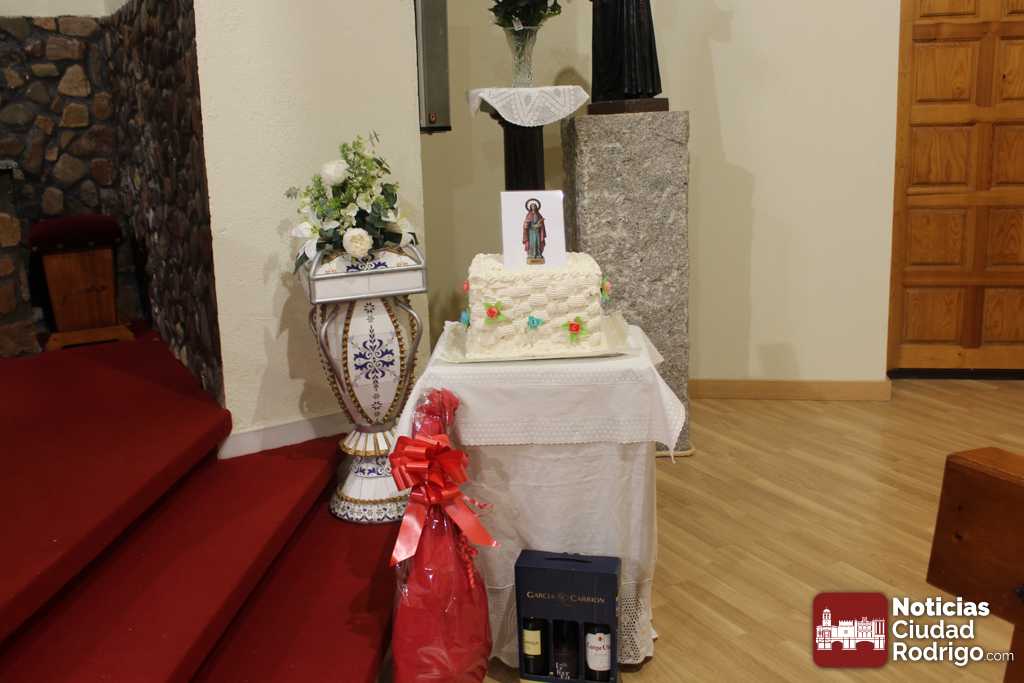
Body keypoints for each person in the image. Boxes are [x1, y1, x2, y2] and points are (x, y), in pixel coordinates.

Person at [522, 199, 547, 264]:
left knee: (538, 243)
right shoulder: (529, 214)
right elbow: (526, 224)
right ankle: (531, 255)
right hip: (531, 232)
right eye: (532, 206)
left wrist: (540, 224)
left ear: (536, 207)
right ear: (530, 207)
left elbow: (542, 223)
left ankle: (538, 254)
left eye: (535, 206)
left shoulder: (538, 214)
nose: (533, 207)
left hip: (538, 232)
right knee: (532, 243)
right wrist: (529, 225)